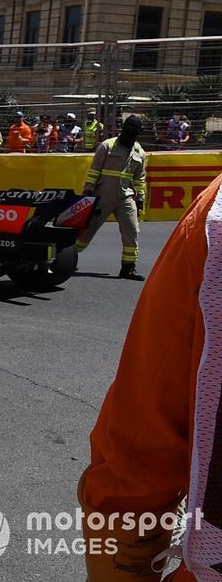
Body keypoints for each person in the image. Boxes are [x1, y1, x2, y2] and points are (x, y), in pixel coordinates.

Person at [78, 171, 222, 582]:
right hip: (106, 196)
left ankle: (121, 262)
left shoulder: (215, 226)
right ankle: (79, 249)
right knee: (94, 227)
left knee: (131, 230)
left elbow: (137, 450)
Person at [75, 114, 147, 280]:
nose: (130, 133)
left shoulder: (139, 152)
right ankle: (66, 257)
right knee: (86, 231)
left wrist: (140, 200)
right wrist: (88, 192)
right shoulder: (107, 146)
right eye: (128, 130)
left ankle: (128, 268)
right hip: (102, 195)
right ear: (123, 129)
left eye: (134, 131)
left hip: (125, 197)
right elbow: (94, 171)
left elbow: (139, 179)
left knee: (132, 230)